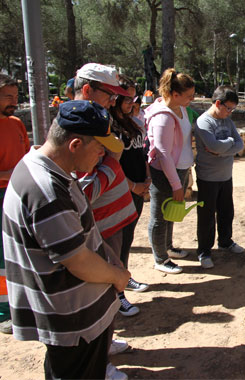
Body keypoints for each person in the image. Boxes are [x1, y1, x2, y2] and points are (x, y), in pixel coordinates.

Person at [2, 101, 131, 379]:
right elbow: (78, 261)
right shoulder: (47, 191)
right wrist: (118, 276)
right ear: (74, 144)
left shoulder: (46, 167)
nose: (102, 155)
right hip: (73, 320)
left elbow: (80, 235)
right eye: (100, 148)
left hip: (75, 316)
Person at [75, 63, 140, 320]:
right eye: (110, 96)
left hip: (114, 216)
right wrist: (113, 160)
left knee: (118, 265)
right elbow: (85, 190)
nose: (114, 102)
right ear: (88, 89)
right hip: (100, 222)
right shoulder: (80, 126)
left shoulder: (101, 119)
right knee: (105, 275)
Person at [145, 69, 196, 274]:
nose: (192, 99)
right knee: (159, 216)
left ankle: (168, 247)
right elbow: (163, 153)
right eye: (189, 95)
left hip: (181, 169)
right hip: (165, 173)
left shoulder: (181, 108)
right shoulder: (163, 117)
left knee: (172, 212)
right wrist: (175, 184)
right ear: (175, 94)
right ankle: (160, 259)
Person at [109, 75, 151, 295]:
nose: (131, 102)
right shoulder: (109, 125)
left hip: (136, 189)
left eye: (133, 98)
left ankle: (124, 276)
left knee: (127, 239)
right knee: (116, 243)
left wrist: (146, 178)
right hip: (120, 192)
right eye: (126, 97)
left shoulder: (131, 122)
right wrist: (132, 186)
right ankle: (117, 292)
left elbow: (141, 152)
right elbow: (110, 166)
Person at [195, 86, 245, 269]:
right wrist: (227, 146)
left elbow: (239, 145)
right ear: (218, 103)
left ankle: (225, 241)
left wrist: (224, 147)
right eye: (229, 108)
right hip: (208, 177)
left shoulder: (227, 121)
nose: (230, 113)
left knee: (226, 212)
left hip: (226, 176)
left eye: (233, 109)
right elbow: (213, 146)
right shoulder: (203, 122)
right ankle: (204, 251)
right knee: (207, 217)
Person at [0, 74, 30, 335]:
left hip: (19, 194)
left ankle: (22, 303)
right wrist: (11, 174)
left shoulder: (17, 123)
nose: (14, 101)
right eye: (8, 96)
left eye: (15, 95)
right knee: (3, 256)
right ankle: (3, 313)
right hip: (2, 195)